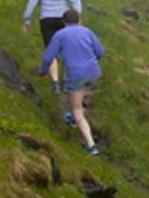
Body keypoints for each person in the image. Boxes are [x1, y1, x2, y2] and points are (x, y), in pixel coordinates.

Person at [38, 8, 104, 154]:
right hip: (94, 73)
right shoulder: (87, 31)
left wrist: (42, 71)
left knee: (76, 110)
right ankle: (77, 115)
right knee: (84, 95)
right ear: (79, 20)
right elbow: (100, 52)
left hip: (75, 76)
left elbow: (48, 57)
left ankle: (91, 146)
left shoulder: (59, 35)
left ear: (64, 22)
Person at [22, 0, 82, 92]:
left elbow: (32, 1)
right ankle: (66, 81)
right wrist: (77, 16)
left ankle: (55, 82)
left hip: (46, 19)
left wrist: (27, 19)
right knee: (68, 49)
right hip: (64, 19)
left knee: (51, 50)